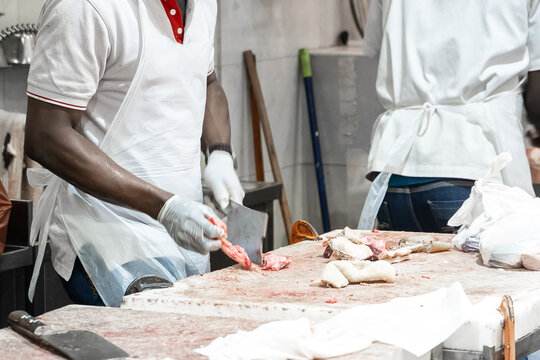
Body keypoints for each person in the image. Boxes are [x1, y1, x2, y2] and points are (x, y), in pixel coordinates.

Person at [24, 0, 244, 307]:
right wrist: (164, 207)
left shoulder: (203, 4)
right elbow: (46, 136)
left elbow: (207, 81)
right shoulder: (85, 7)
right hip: (108, 239)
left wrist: (220, 152)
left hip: (185, 234)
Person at [358, 0, 540, 233]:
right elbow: (536, 100)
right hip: (475, 168)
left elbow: (374, 46)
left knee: (407, 268)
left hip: (396, 171)